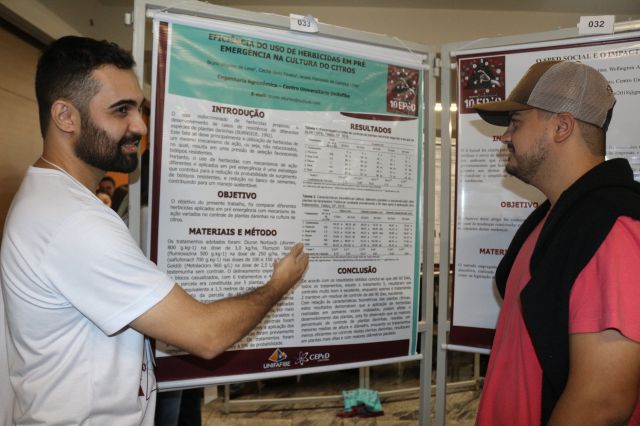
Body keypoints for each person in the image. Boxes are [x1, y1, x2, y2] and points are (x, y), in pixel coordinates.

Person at [0, 36, 309, 425]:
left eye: (139, 108)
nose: (140, 126)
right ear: (66, 116)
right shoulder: (74, 221)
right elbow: (206, 336)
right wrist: (278, 285)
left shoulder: (51, 197)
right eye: (121, 110)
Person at [473, 60, 640, 425]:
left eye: (516, 122)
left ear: (562, 126)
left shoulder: (612, 226)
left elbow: (602, 403)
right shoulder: (558, 217)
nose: (505, 136)